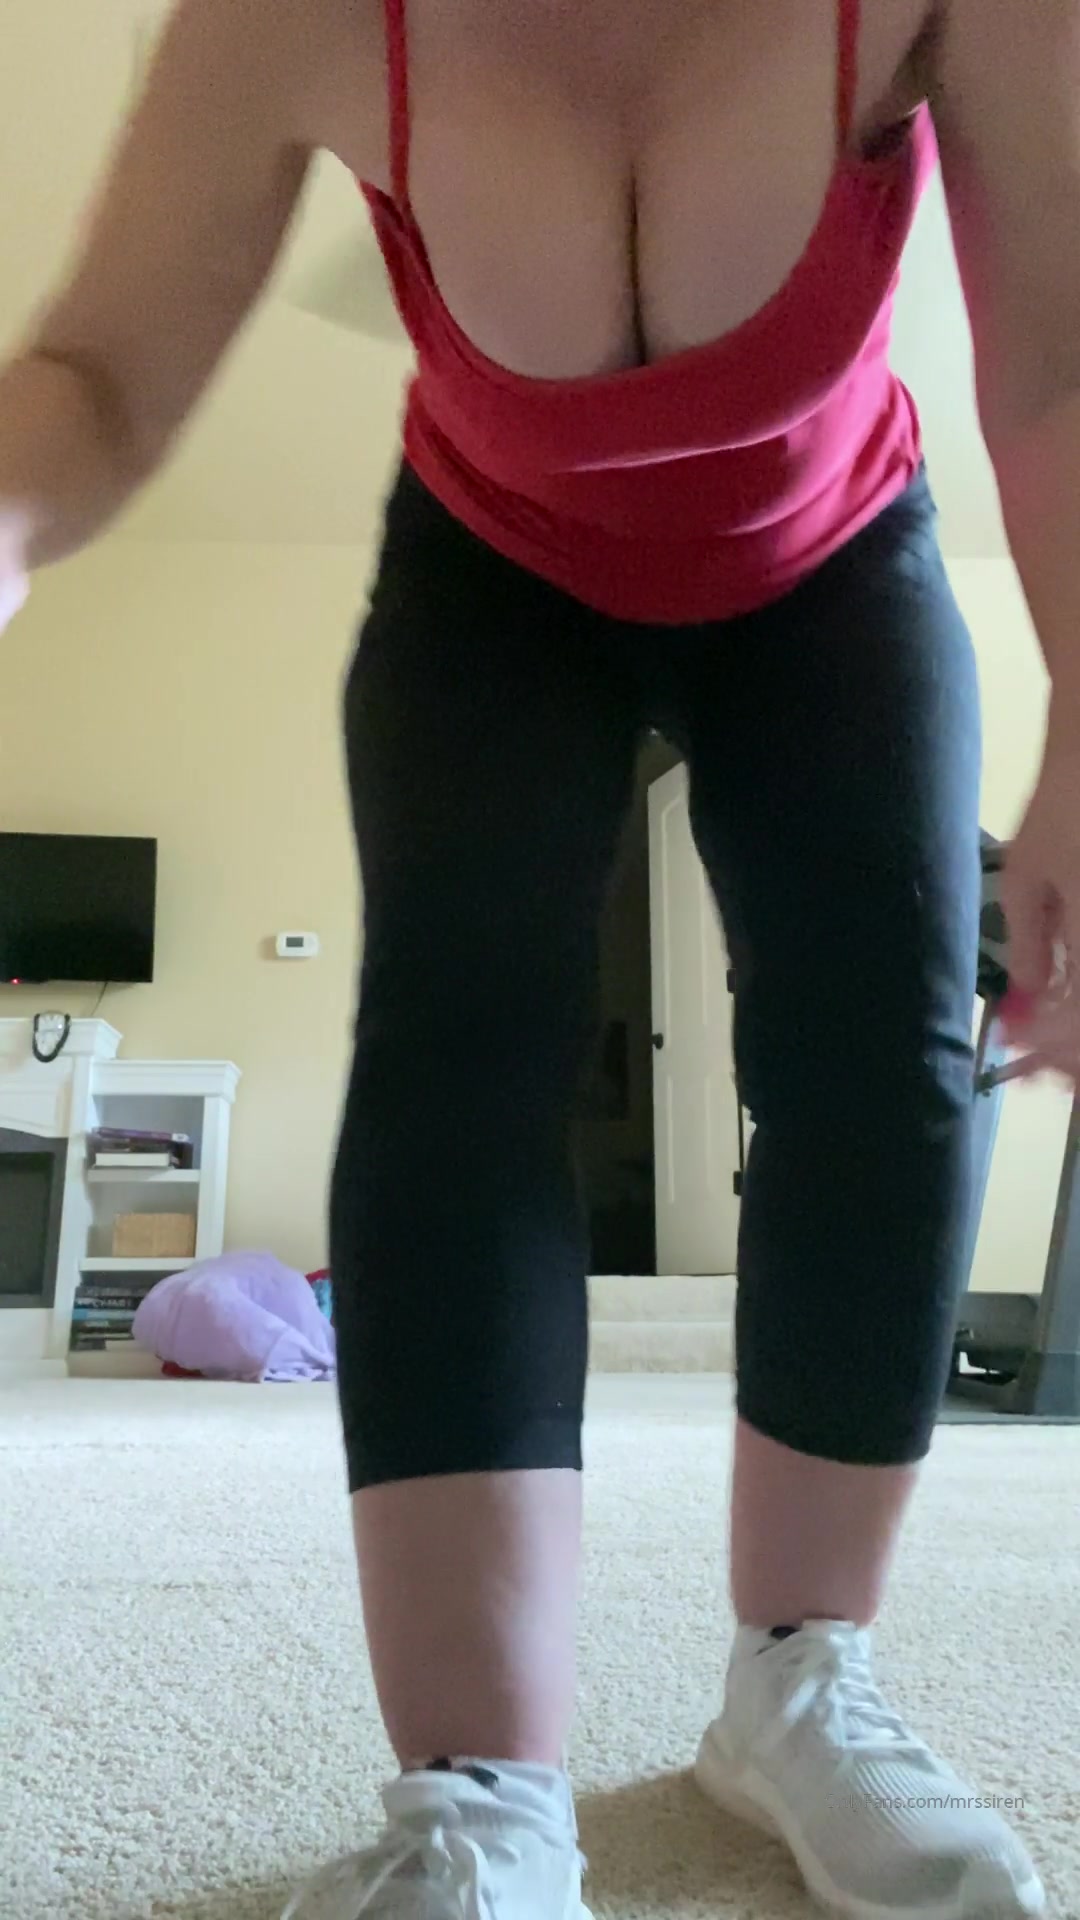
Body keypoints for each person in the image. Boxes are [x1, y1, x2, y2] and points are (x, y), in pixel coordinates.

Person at [1, 0, 1077, 1913]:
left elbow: (1061, 373)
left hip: (834, 557)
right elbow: (96, 374)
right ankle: (483, 1791)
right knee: (451, 1070)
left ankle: (799, 1681)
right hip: (497, 576)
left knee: (888, 1048)